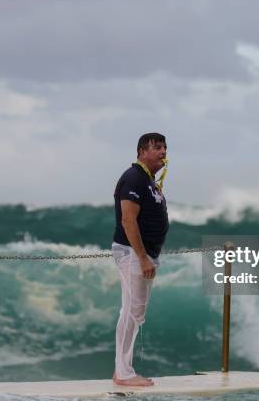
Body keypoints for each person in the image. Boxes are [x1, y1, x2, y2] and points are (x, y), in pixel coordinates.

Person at [111, 133, 169, 387]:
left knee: (136, 311)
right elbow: (127, 219)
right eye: (156, 147)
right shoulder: (134, 177)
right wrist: (143, 258)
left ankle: (123, 370)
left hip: (145, 254)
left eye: (164, 147)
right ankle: (123, 373)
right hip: (133, 253)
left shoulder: (149, 180)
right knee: (131, 311)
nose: (162, 151)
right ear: (141, 151)